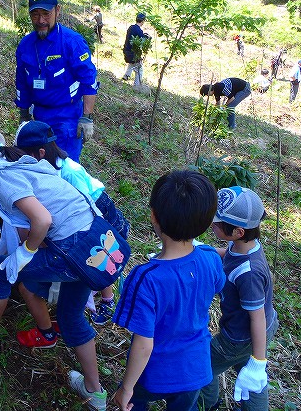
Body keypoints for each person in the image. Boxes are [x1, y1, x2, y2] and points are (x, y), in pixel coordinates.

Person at [0, 126, 131, 411]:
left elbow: (42, 219)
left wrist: (25, 254)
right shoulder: (20, 162)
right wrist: (29, 247)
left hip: (71, 248)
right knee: (71, 317)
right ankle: (95, 393)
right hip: (92, 243)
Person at [113, 170, 225, 411]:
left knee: (134, 403)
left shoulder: (146, 278)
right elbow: (216, 287)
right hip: (196, 369)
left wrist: (126, 387)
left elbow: (144, 344)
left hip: (155, 372)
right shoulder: (211, 258)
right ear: (206, 222)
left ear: (154, 216)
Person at [14, 120, 129, 328]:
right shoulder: (49, 167)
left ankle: (108, 300)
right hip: (93, 219)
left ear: (40, 153)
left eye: (24, 156)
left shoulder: (69, 172)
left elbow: (87, 208)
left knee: (103, 258)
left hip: (103, 217)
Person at [199, 187, 278, 411]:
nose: (212, 225)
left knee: (204, 364)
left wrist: (259, 362)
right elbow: (228, 253)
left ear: (239, 232)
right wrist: (204, 250)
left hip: (239, 337)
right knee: (250, 375)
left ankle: (207, 403)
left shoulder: (249, 273)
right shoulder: (245, 246)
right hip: (254, 332)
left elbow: (257, 318)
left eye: (217, 223)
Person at [15, 0, 99, 162]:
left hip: (66, 118)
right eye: (35, 14)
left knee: (64, 167)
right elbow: (22, 81)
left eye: (46, 13)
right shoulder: (26, 45)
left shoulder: (71, 42)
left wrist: (87, 117)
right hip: (39, 118)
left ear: (57, 11)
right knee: (41, 167)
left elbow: (88, 80)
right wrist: (24, 115)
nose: (41, 20)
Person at [122, 13, 149, 87]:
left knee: (132, 64)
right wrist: (147, 38)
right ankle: (137, 85)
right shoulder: (139, 31)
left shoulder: (131, 27)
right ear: (143, 21)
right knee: (139, 68)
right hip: (132, 53)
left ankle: (126, 75)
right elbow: (142, 41)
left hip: (126, 51)